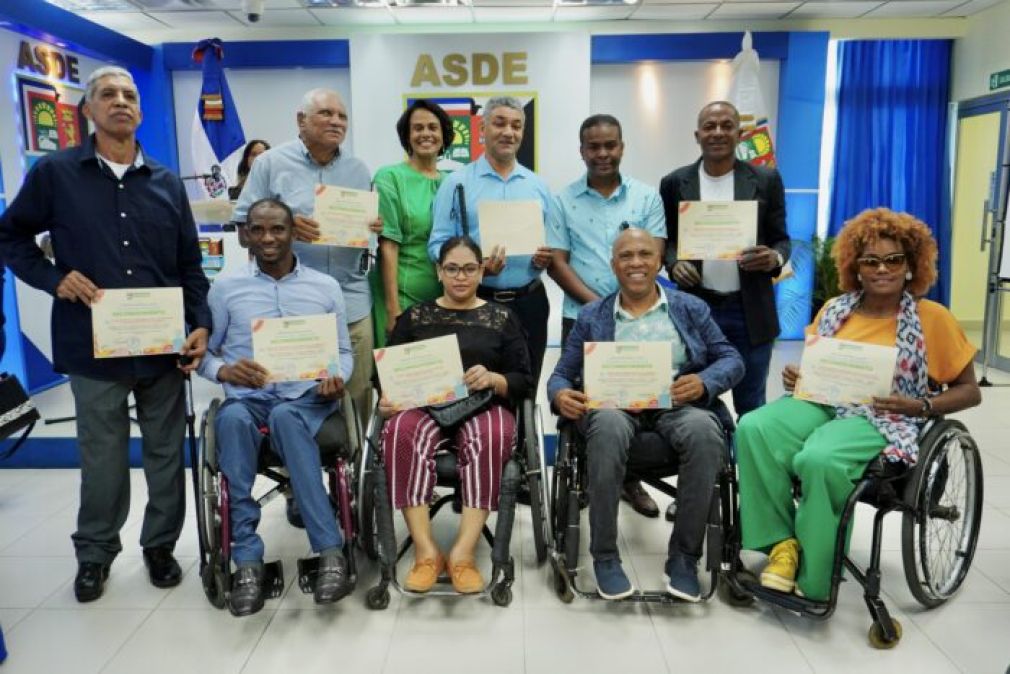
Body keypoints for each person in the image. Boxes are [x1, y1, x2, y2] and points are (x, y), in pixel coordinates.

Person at [0, 66, 210, 602]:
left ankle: (160, 546)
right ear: (87, 110)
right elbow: (12, 235)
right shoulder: (56, 173)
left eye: (130, 95)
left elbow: (189, 263)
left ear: (139, 111)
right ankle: (95, 553)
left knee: (166, 454)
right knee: (102, 458)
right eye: (108, 95)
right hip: (92, 347)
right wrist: (52, 278)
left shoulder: (164, 181)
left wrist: (201, 325)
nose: (121, 102)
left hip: (163, 349)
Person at [736, 208, 981, 602]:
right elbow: (815, 367)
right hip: (824, 402)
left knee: (819, 458)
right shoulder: (835, 308)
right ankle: (781, 546)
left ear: (910, 265)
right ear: (856, 266)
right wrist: (798, 376)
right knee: (753, 427)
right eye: (870, 260)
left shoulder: (932, 318)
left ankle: (816, 577)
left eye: (893, 259)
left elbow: (970, 390)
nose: (881, 269)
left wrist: (920, 405)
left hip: (887, 417)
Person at [547, 228, 743, 602]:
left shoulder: (690, 307)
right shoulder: (592, 315)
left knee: (706, 432)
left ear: (657, 261)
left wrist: (703, 382)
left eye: (644, 254)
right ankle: (605, 556)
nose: (635, 262)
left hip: (677, 405)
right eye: (625, 256)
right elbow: (560, 374)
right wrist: (560, 395)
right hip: (615, 407)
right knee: (604, 424)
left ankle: (684, 558)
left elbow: (731, 358)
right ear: (613, 265)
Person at [199, 198, 355, 616]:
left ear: (293, 233)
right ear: (246, 234)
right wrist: (226, 373)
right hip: (247, 402)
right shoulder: (226, 289)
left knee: (287, 415)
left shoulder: (324, 287)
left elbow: (342, 352)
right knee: (229, 418)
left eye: (277, 230)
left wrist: (334, 378)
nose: (268, 238)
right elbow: (205, 357)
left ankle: (329, 551)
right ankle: (246, 557)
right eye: (258, 230)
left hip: (306, 400)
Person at [378, 235, 533, 594]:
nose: (460, 276)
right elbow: (385, 376)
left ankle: (463, 553)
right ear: (439, 271)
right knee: (400, 430)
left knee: (492, 435)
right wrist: (386, 400)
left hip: (484, 406)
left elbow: (524, 380)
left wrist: (494, 379)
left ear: (482, 271)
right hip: (423, 406)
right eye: (452, 268)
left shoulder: (502, 318)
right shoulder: (414, 318)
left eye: (468, 268)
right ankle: (426, 551)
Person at [233, 88, 379, 435]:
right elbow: (243, 232)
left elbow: (366, 236)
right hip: (292, 306)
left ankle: (355, 478)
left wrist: (372, 226)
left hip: (352, 299)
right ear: (301, 121)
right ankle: (299, 474)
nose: (336, 121)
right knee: (294, 401)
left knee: (356, 396)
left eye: (342, 116)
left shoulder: (358, 170)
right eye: (326, 113)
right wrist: (285, 228)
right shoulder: (271, 164)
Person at [548, 113, 668, 520]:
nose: (603, 153)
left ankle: (629, 480)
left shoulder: (647, 198)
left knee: (636, 395)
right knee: (590, 402)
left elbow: (656, 254)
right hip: (582, 317)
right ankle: (593, 475)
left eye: (610, 145)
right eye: (594, 147)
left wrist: (627, 305)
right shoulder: (562, 200)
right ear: (582, 151)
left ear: (622, 146)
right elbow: (557, 262)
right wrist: (601, 307)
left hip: (643, 318)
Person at [660, 101, 789, 420]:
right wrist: (675, 263)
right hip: (696, 308)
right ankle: (712, 468)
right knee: (696, 400)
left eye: (726, 125)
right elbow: (666, 240)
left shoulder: (766, 179)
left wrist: (773, 257)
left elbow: (782, 239)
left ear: (740, 133)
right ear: (697, 135)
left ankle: (748, 469)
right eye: (709, 126)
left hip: (750, 310)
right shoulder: (675, 182)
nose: (717, 132)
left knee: (751, 403)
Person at [428, 96, 554, 385]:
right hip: (476, 301)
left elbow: (552, 243)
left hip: (530, 301)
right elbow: (437, 245)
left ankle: (525, 433)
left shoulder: (538, 187)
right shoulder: (456, 183)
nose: (509, 132)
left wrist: (543, 259)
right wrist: (476, 266)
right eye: (499, 123)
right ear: (482, 129)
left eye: (516, 125)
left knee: (526, 384)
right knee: (477, 386)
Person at [370, 100, 452, 347]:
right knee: (404, 377)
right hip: (403, 297)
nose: (426, 134)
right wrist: (394, 308)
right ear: (407, 136)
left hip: (447, 297)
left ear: (444, 135)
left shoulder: (452, 181)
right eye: (417, 128)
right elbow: (388, 245)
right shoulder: (390, 177)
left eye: (432, 127)